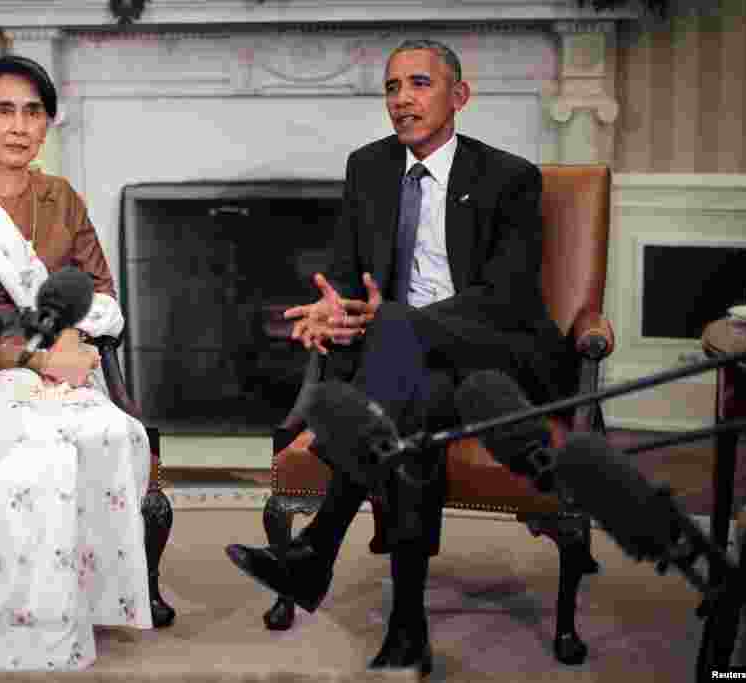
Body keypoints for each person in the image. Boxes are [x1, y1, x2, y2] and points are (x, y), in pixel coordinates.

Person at [225, 39, 576, 674]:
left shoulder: (510, 177)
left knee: (400, 363)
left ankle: (317, 551)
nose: (402, 100)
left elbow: (506, 298)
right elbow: (344, 271)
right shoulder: (368, 166)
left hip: (488, 350)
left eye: (419, 84)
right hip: (407, 365)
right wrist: (332, 308)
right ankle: (405, 626)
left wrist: (393, 322)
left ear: (458, 97)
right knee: (414, 415)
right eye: (392, 87)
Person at [0, 55, 153, 671]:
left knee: (110, 432)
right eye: (3, 110)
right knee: (36, 457)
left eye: (33, 111)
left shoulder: (63, 200)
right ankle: (24, 635)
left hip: (56, 356)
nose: (19, 125)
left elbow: (103, 294)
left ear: (47, 123)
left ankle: (82, 605)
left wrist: (69, 341)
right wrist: (35, 356)